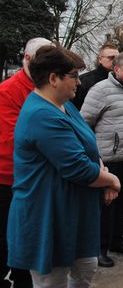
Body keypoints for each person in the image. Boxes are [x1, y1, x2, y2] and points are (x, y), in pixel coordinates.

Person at [7, 46, 120, 288]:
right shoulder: (41, 114)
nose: (79, 82)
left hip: (72, 211)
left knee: (85, 268)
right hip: (48, 214)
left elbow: (88, 144)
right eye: (74, 76)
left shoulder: (65, 105)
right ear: (53, 78)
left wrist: (102, 170)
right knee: (53, 281)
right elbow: (76, 167)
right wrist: (111, 181)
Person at [80, 53, 123, 267]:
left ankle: (117, 240)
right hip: (111, 160)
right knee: (106, 205)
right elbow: (84, 123)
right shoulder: (101, 90)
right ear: (117, 70)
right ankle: (98, 248)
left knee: (122, 203)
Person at [0, 37, 51, 288]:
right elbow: (13, 141)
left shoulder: (47, 88)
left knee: (26, 236)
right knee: (7, 237)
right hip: (9, 178)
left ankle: (23, 278)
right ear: (27, 59)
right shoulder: (8, 91)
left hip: (36, 178)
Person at [72, 44, 119, 109]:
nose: (115, 61)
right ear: (100, 59)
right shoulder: (83, 81)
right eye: (111, 58)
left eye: (118, 58)